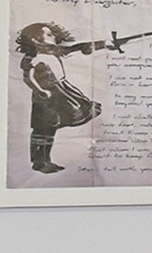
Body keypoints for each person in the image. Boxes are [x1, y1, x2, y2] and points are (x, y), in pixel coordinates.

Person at [15, 20, 104, 174]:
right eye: (49, 35)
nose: (54, 37)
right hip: (45, 98)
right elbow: (28, 77)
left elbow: (77, 47)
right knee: (42, 129)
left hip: (61, 92)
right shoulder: (33, 57)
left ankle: (44, 161)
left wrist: (104, 44)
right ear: (35, 39)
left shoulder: (53, 52)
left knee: (51, 128)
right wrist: (40, 90)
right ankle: (40, 162)